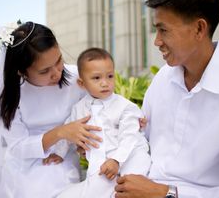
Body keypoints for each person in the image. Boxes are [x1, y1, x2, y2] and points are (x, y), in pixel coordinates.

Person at [114, 0, 219, 198]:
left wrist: (167, 194)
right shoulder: (163, 79)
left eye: (163, 30)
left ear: (199, 29)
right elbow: (139, 139)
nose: (156, 41)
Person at [0, 22, 103, 198]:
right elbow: (17, 147)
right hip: (25, 172)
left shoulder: (78, 78)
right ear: (21, 72)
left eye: (58, 60)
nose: (57, 73)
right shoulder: (9, 94)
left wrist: (84, 143)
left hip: (65, 164)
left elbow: (99, 110)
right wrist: (60, 133)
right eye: (44, 71)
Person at [49, 48, 151, 198]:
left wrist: (116, 160)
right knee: (93, 189)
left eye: (110, 76)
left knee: (131, 183)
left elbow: (129, 136)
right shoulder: (79, 109)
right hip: (102, 164)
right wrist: (59, 152)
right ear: (82, 83)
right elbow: (68, 131)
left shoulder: (125, 106)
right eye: (97, 78)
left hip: (130, 155)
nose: (105, 83)